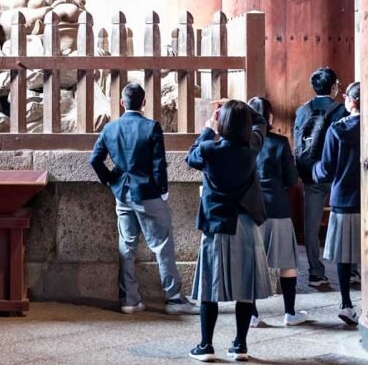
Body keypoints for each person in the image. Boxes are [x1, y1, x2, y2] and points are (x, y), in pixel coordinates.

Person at [89, 82, 194, 315]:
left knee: (126, 247)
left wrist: (109, 180)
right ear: (144, 103)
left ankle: (129, 300)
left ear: (121, 103)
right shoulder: (151, 127)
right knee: (162, 245)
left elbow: (94, 160)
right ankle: (174, 298)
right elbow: (158, 164)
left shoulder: (110, 129)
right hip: (148, 192)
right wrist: (163, 190)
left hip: (122, 193)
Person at [186, 99, 272, 362]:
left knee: (209, 288)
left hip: (217, 224)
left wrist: (208, 127)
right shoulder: (252, 148)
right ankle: (240, 345)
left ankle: (206, 345)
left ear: (222, 123)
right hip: (246, 223)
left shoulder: (210, 149)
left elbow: (191, 155)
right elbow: (260, 123)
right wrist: (244, 108)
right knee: (245, 287)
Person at [247, 96, 306, 328]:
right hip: (278, 207)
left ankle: (251, 313)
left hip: (250, 209)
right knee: (286, 262)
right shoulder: (280, 143)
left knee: (250, 262)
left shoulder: (243, 144)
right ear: (269, 117)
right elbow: (292, 179)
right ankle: (289, 312)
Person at [312, 82, 361, 326]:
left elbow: (326, 168)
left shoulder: (337, 129)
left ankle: (346, 303)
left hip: (343, 198)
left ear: (349, 101)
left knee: (344, 255)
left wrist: (313, 170)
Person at [293, 67, 347, 288]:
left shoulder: (302, 111)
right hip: (337, 176)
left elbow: (297, 144)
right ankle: (350, 269)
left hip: (311, 175)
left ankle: (315, 272)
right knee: (344, 222)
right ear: (334, 86)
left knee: (311, 226)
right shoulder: (342, 111)